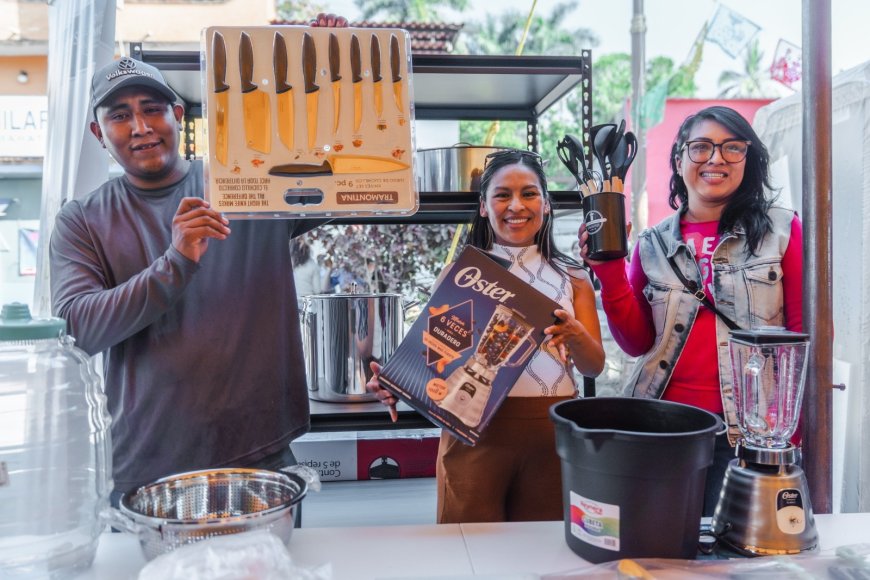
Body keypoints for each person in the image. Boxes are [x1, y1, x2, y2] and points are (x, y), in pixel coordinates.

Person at [49, 14, 347, 504]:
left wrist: (325, 65)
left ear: (179, 115)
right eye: (119, 116)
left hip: (262, 454)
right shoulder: (82, 219)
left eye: (152, 109)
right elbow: (78, 328)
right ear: (99, 133)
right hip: (146, 464)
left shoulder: (247, 185)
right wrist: (176, 261)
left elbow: (337, 174)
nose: (140, 126)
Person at [579, 105, 803, 517]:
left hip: (748, 432)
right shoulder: (653, 243)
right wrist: (608, 270)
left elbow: (802, 334)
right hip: (663, 426)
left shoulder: (782, 231)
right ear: (679, 158)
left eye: (731, 148)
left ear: (748, 159)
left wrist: (796, 433)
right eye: (700, 147)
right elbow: (636, 343)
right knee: (663, 552)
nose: (715, 158)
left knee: (738, 560)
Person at [367, 149, 605, 523]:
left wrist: (575, 334)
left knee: (542, 556)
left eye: (529, 193)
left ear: (546, 204)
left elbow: (594, 367)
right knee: (468, 553)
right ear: (483, 206)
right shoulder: (459, 274)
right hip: (471, 431)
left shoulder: (573, 278)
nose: (516, 206)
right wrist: (393, 383)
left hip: (551, 434)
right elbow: (433, 360)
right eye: (501, 195)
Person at [291, 239, 322, 304]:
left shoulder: (292, 266)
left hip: (293, 303)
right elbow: (317, 290)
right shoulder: (314, 266)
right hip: (309, 303)